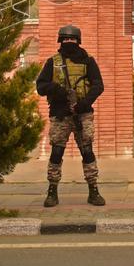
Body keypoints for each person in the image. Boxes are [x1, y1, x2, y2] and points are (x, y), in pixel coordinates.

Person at [36, 24, 106, 207]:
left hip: (82, 115)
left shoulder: (88, 61)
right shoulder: (53, 62)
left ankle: (93, 191)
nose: (69, 42)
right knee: (57, 152)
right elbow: (41, 86)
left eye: (72, 39)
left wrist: (83, 103)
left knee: (87, 151)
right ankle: (52, 192)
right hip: (60, 115)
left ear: (78, 41)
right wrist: (57, 90)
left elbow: (98, 85)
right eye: (65, 39)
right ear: (60, 41)